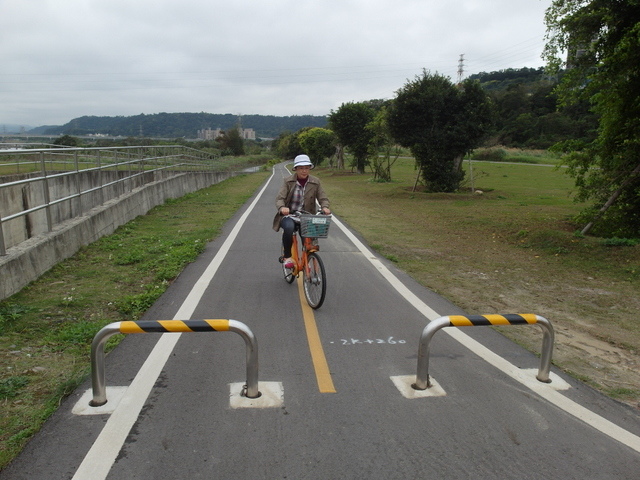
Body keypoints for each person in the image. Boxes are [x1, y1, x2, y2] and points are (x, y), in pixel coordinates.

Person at [273, 154, 331, 268]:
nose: (304, 171)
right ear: (295, 169)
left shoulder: (315, 181)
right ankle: (287, 256)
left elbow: (323, 198)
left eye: (306, 168)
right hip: (290, 215)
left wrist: (325, 207)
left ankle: (307, 259)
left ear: (310, 168)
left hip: (307, 217)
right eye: (301, 168)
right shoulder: (288, 181)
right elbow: (280, 198)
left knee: (309, 241)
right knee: (289, 229)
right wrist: (282, 208)